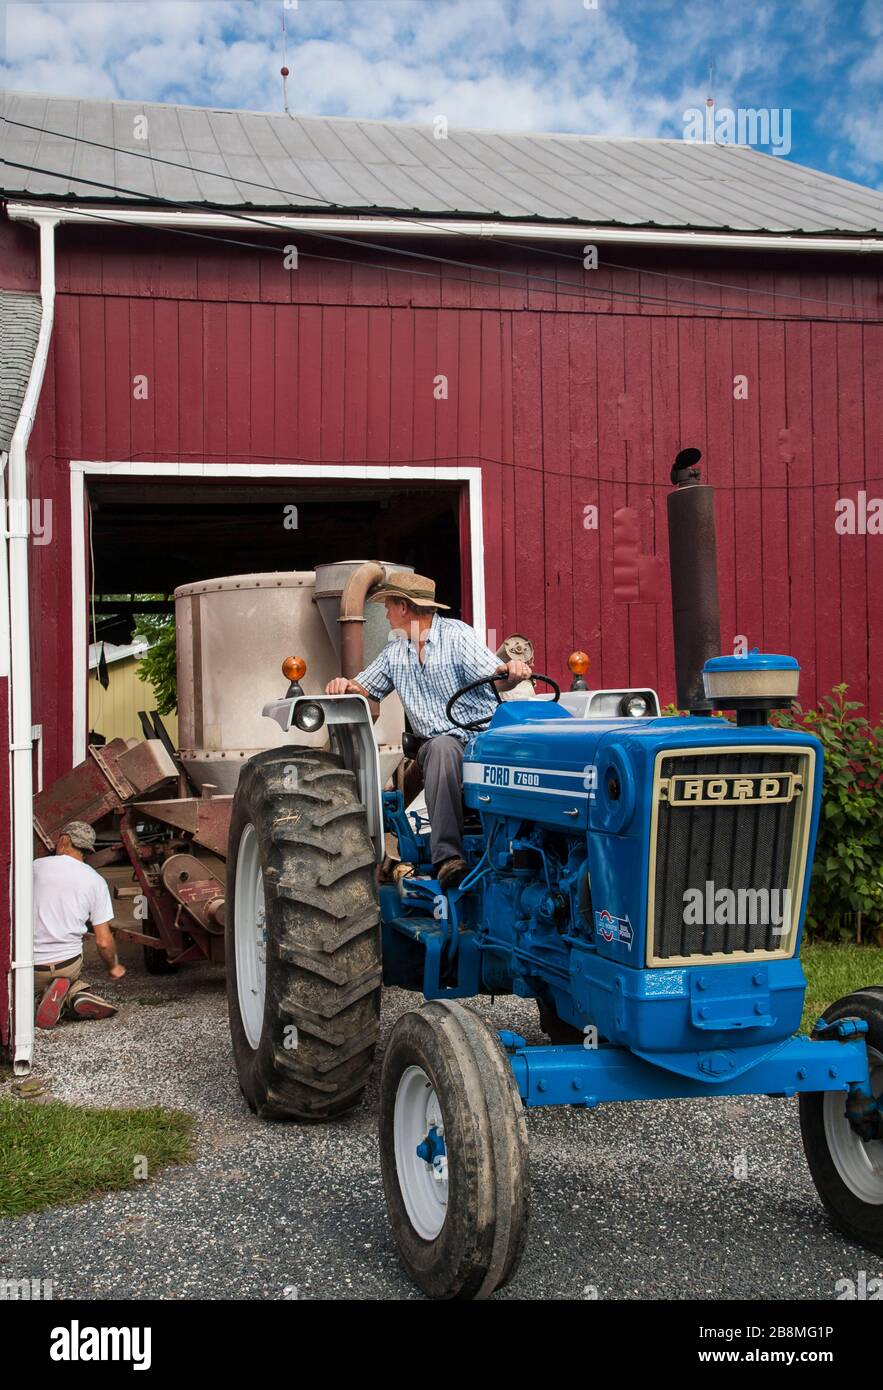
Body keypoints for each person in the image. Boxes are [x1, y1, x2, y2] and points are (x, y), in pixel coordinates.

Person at [325, 572, 532, 890]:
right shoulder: (396, 652)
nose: (386, 613)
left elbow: (496, 676)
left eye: (389, 606)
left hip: (481, 738)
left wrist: (513, 672)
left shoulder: (457, 636)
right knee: (441, 747)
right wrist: (344, 685)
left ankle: (522, 850)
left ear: (404, 608)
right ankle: (448, 858)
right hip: (437, 746)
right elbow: (365, 688)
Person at [33, 821, 125, 1029]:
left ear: (64, 841)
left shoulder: (35, 867)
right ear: (87, 849)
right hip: (67, 965)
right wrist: (114, 967)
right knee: (71, 972)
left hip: (30, 966)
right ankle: (73, 995)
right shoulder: (96, 881)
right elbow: (103, 941)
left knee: (26, 995)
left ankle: (54, 996)